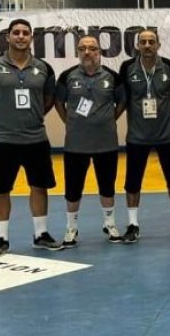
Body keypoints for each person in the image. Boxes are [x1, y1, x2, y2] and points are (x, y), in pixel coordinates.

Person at [0, 19, 61, 257]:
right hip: (4, 140)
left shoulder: (44, 68)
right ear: (8, 37)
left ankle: (40, 235)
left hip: (36, 138)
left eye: (25, 33)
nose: (20, 36)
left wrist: (34, 117)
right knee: (1, 190)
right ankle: (1, 239)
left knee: (40, 186)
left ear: (31, 38)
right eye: (16, 33)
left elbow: (49, 99)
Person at [117, 29, 170, 244]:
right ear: (137, 45)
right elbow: (122, 98)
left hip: (168, 135)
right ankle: (132, 224)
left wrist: (166, 114)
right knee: (133, 181)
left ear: (158, 44)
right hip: (137, 136)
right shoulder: (127, 67)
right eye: (143, 42)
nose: (147, 45)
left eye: (151, 41)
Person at [54, 35, 126, 247]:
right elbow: (59, 101)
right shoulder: (67, 76)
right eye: (83, 48)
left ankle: (110, 224)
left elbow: (122, 101)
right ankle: (71, 228)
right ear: (78, 51)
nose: (87, 52)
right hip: (76, 144)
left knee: (107, 186)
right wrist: (69, 121)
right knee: (73, 188)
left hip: (107, 143)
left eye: (92, 48)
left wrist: (109, 119)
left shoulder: (112, 76)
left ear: (99, 52)